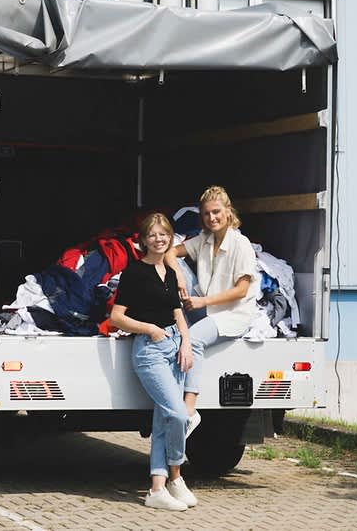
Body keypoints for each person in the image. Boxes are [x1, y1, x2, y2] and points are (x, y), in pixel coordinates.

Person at [110, 212, 197, 511]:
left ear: (170, 238)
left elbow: (177, 313)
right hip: (149, 350)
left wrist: (186, 343)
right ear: (143, 240)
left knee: (163, 420)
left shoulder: (170, 273)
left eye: (164, 235)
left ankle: (159, 488)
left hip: (174, 347)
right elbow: (116, 317)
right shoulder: (134, 273)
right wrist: (149, 329)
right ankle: (177, 474)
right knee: (179, 414)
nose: (159, 239)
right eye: (153, 235)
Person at [166, 186, 259, 436]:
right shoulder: (204, 240)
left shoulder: (241, 245)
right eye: (207, 214)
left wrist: (202, 301)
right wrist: (180, 278)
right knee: (175, 332)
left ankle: (189, 411)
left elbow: (241, 290)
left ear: (228, 212)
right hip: (207, 309)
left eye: (216, 212)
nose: (212, 218)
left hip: (232, 314)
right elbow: (170, 251)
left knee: (192, 339)